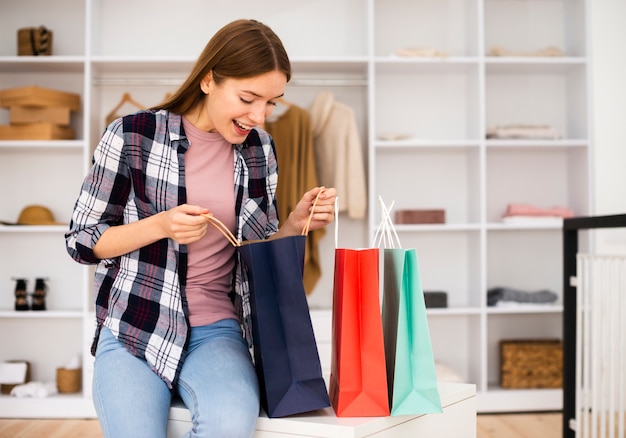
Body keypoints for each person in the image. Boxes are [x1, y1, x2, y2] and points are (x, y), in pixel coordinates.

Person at [65, 19, 336, 438]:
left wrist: (295, 226)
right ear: (209, 79)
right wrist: (160, 225)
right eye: (248, 98)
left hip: (217, 330)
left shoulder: (259, 149)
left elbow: (255, 251)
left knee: (229, 425)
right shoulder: (133, 135)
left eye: (271, 103)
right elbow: (81, 240)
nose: (259, 116)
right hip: (135, 322)